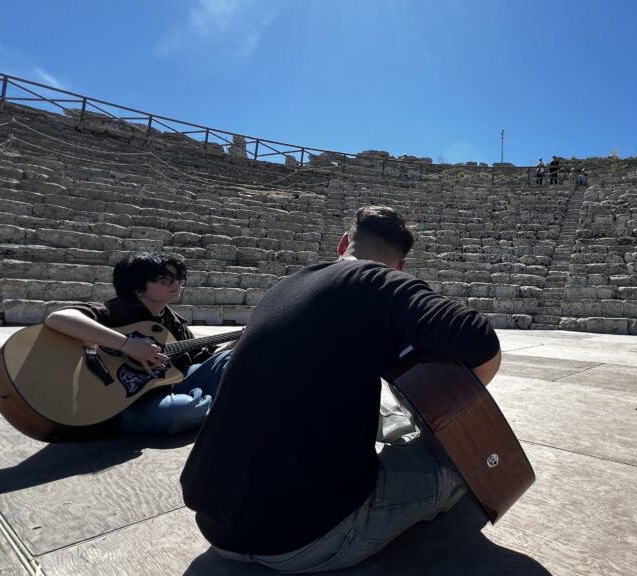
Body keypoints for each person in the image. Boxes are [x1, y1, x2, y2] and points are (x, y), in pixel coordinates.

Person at [180, 206, 502, 573]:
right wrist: (452, 417)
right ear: (399, 266)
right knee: (461, 463)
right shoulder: (384, 284)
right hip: (307, 539)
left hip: (214, 522)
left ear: (343, 242)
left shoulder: (286, 285)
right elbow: (480, 341)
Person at [43, 252, 233, 436]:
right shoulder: (114, 311)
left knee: (236, 358)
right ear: (137, 286)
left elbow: (197, 360)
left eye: (178, 279)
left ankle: (214, 404)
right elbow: (58, 318)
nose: (176, 284)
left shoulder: (173, 321)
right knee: (187, 410)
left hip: (166, 384)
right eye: (165, 279)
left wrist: (232, 346)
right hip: (126, 402)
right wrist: (128, 345)